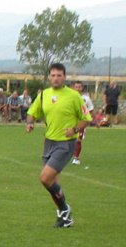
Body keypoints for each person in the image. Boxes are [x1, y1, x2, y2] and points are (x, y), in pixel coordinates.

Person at [25, 62, 92, 228]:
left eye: (59, 75)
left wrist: (75, 129)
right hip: (48, 142)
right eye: (53, 75)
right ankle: (64, 217)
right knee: (52, 183)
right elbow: (32, 112)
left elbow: (86, 119)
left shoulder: (74, 96)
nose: (55, 78)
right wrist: (30, 123)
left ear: (65, 77)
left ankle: (65, 209)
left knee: (45, 178)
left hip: (66, 144)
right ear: (49, 77)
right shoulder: (44, 95)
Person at [72, 81, 95, 165]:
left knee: (78, 140)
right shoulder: (69, 97)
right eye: (76, 87)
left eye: (79, 87)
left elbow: (91, 110)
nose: (78, 88)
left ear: (82, 88)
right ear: (73, 88)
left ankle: (76, 158)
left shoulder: (86, 99)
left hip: (81, 122)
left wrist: (95, 121)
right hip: (70, 122)